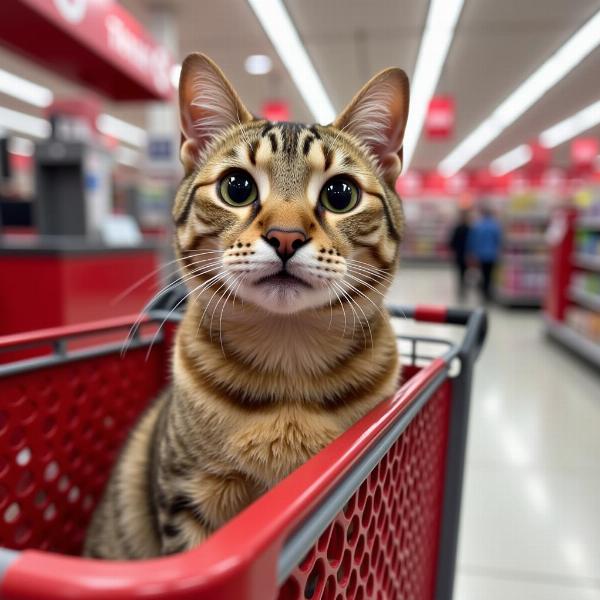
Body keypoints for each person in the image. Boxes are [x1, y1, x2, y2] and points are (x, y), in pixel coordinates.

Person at [467, 204, 502, 302]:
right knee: (490, 275)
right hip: (492, 255)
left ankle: (482, 292)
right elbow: (498, 240)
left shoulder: (478, 225)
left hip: (480, 255)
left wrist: (472, 253)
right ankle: (488, 293)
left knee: (481, 273)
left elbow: (472, 240)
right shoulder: (495, 226)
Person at [448, 209, 471, 300]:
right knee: (466, 272)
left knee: (460, 272)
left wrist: (454, 249)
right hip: (467, 254)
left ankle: (461, 288)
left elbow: (452, 242)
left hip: (459, 254)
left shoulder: (457, 228)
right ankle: (464, 287)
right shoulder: (470, 229)